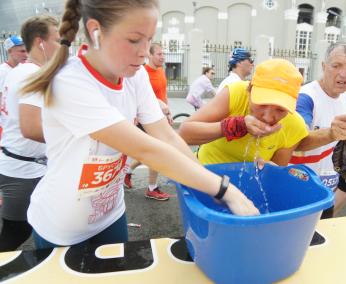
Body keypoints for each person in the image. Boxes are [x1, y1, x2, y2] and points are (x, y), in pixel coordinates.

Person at [21, 0, 258, 250]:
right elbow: (147, 150)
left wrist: (205, 181)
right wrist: (224, 190)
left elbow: (166, 137)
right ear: (96, 31)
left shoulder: (135, 76)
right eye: (134, 40)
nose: (144, 52)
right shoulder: (70, 83)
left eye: (149, 39)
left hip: (110, 214)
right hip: (62, 226)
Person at [179, 58, 346, 168]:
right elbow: (185, 133)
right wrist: (236, 125)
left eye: (280, 109)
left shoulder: (293, 124)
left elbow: (277, 168)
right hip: (205, 172)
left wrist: (270, 171)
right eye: (262, 103)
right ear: (249, 90)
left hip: (246, 187)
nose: (268, 117)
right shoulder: (235, 93)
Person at [0, 15, 60, 252]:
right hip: (24, 169)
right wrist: (75, 137)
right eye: (57, 39)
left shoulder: (20, 70)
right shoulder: (33, 75)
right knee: (17, 233)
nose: (62, 45)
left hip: (13, 159)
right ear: (40, 42)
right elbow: (31, 128)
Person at [293, 42, 346, 217]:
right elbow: (296, 141)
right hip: (299, 193)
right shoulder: (306, 97)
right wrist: (330, 133)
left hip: (327, 193)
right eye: (336, 65)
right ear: (324, 66)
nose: (343, 74)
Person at [124, 43, 173, 201]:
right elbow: (143, 97)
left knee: (149, 151)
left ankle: (128, 171)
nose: (162, 56)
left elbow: (163, 94)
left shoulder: (161, 71)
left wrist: (168, 112)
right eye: (159, 54)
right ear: (150, 56)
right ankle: (152, 188)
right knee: (156, 152)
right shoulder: (142, 72)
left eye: (163, 53)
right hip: (146, 120)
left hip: (160, 117)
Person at [0, 36, 28, 137]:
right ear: (10, 51)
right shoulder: (2, 72)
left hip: (21, 122)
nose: (25, 54)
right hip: (6, 126)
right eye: (22, 51)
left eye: (26, 51)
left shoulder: (23, 69)